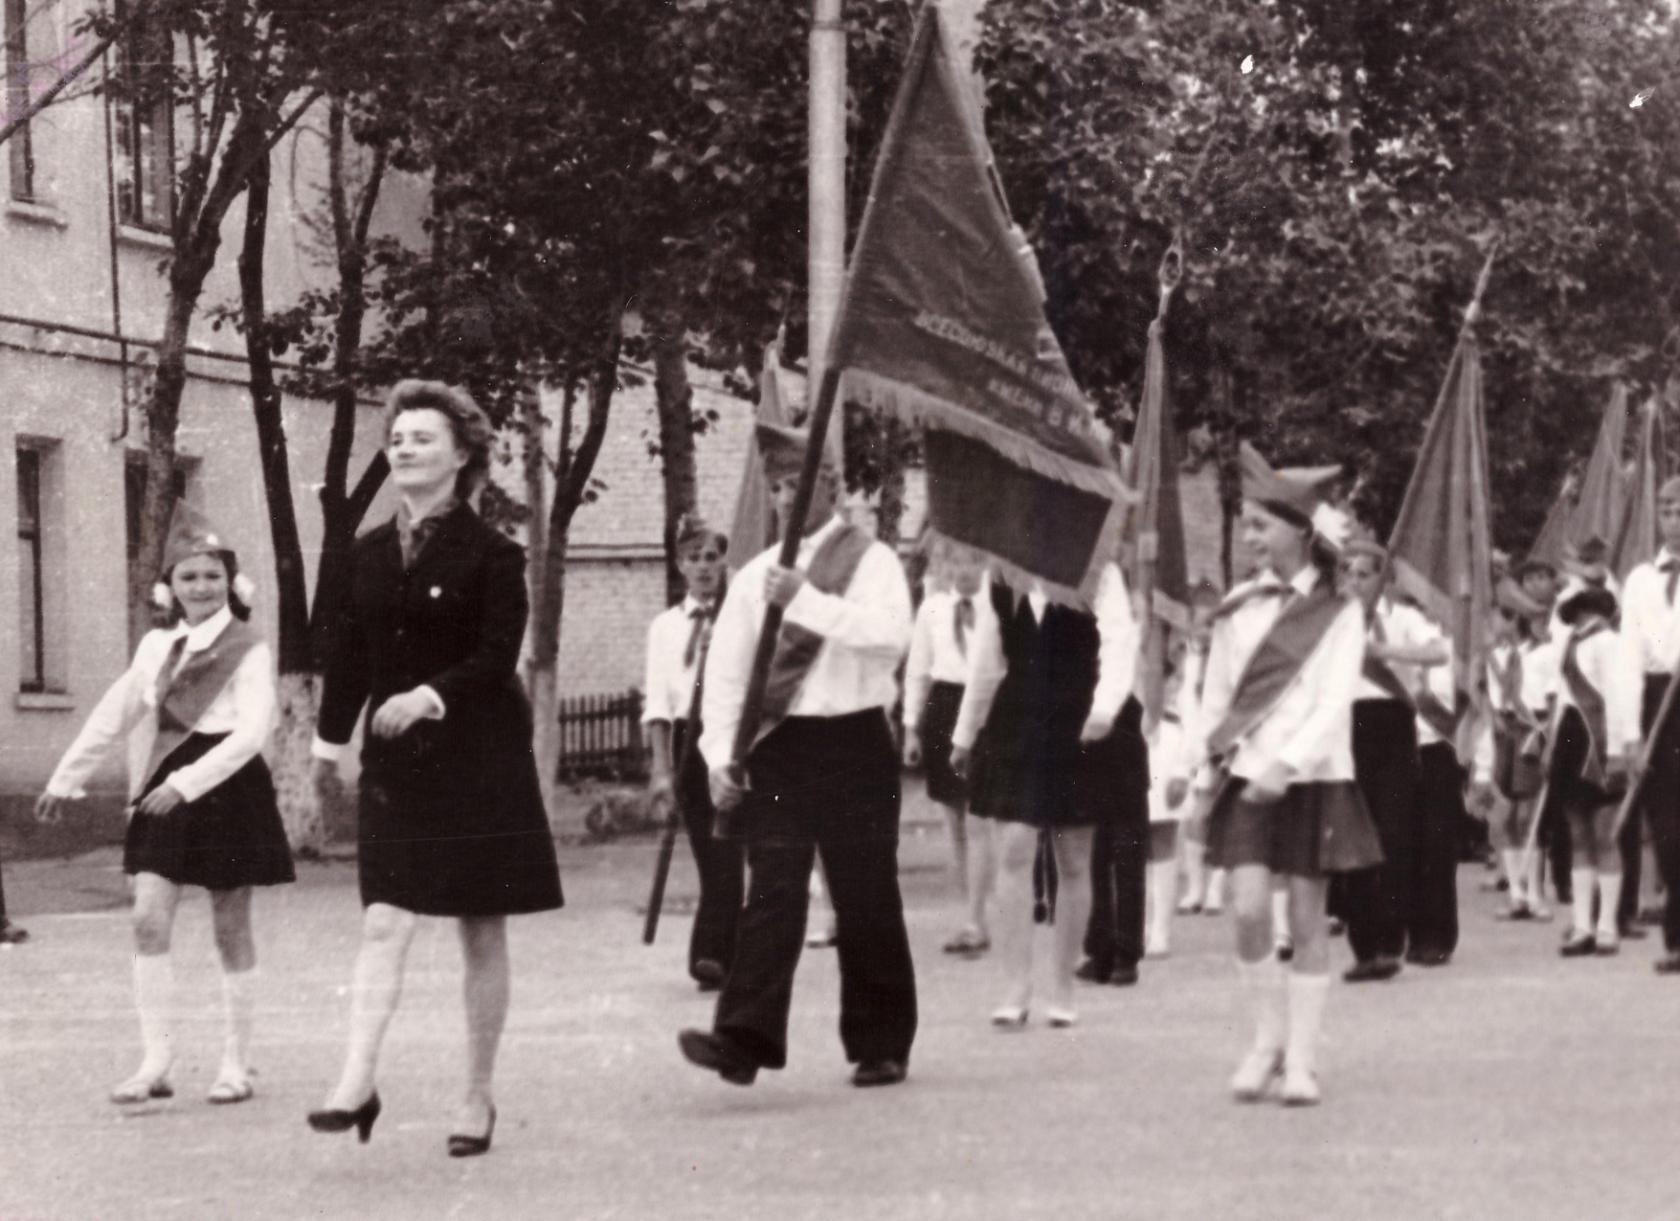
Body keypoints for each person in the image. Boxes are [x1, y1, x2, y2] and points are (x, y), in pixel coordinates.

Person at [307, 380, 562, 1156]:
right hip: (399, 766)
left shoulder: (494, 553)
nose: (407, 447)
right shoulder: (367, 552)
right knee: (384, 919)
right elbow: (350, 655)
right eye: (400, 436)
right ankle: (355, 1079)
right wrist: (323, 748)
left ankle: (477, 1094)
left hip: (480, 760)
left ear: (461, 455)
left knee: (480, 930)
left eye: (424, 437)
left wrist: (428, 695)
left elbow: (496, 657)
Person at [678, 422, 916, 1089]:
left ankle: (880, 1042)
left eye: (799, 483)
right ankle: (743, 1037)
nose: (786, 497)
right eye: (778, 485)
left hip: (854, 738)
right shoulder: (754, 576)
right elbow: (726, 679)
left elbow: (888, 639)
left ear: (832, 488)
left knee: (864, 888)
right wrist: (723, 755)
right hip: (781, 748)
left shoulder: (872, 562)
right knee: (776, 888)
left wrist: (806, 600)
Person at [36, 502, 294, 1104]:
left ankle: (236, 1062)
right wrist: (64, 778)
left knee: (230, 924)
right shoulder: (156, 647)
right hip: (166, 779)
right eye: (188, 576)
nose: (201, 587)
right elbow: (115, 714)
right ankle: (157, 1059)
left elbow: (253, 732)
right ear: (170, 587)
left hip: (227, 782)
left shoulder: (249, 647)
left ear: (229, 580)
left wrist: (186, 784)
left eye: (211, 575)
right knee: (147, 917)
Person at [1184, 443, 1381, 1106]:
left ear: (1300, 531)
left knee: (1304, 914)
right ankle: (1265, 1041)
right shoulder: (1240, 603)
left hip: (1313, 777)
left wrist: (1286, 764)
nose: (1251, 535)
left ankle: (1301, 1059)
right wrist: (1205, 774)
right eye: (1248, 524)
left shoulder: (1340, 612)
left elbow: (1331, 705)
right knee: (1244, 908)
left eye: (1262, 524)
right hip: (1245, 776)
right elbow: (1217, 697)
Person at [950, 555, 1141, 1027]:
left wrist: (1105, 710)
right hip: (1017, 720)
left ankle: (1063, 986)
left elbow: (1120, 643)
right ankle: (1016, 987)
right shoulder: (1001, 575)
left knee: (1073, 857)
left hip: (1078, 718)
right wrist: (963, 733)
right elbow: (987, 662)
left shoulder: (1099, 571)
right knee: (1013, 848)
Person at [643, 513, 743, 992]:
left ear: (724, 563)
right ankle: (716, 955)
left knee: (733, 848)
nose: (704, 566)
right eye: (694, 558)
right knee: (712, 851)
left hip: (732, 738)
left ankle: (714, 954)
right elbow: (658, 704)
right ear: (680, 565)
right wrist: (661, 769)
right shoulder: (665, 627)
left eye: (712, 557)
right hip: (689, 744)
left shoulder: (737, 620)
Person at [1333, 540, 1437, 982]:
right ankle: (1365, 948)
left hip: (1391, 725)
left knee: (1393, 835)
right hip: (1346, 727)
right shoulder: (1334, 621)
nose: (1355, 582)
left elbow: (1439, 652)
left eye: (1364, 574)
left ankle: (1392, 938)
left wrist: (1388, 653)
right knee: (1355, 839)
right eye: (1349, 573)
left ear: (1383, 578)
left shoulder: (1405, 618)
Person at [903, 541, 994, 957]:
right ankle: (969, 912)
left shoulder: (998, 608)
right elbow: (918, 670)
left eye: (972, 559)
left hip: (986, 710)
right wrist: (910, 728)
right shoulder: (933, 610)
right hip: (943, 706)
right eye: (954, 560)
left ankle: (979, 919)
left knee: (980, 816)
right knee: (953, 818)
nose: (963, 569)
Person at [1546, 581, 1640, 957]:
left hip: (1598, 743)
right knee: (1578, 835)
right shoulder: (1570, 644)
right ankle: (1583, 924)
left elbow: (1617, 696)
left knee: (1604, 834)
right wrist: (1553, 744)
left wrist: (1617, 750)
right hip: (1571, 739)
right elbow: (1564, 699)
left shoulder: (1608, 642)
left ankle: (1606, 926)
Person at [1618, 475, 1680, 973]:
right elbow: (1627, 660)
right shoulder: (1640, 580)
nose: (1673, 519)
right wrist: (1630, 735)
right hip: (1659, 699)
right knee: (1666, 826)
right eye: (1666, 509)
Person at [1471, 583, 1556, 921]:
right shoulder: (1499, 657)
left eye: (1499, 618)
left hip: (1530, 732)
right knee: (1503, 814)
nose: (1493, 625)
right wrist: (1492, 721)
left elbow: (1552, 701)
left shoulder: (1545, 655)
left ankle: (1535, 892)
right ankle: (1516, 893)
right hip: (1503, 733)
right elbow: (1487, 696)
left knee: (1527, 815)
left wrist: (1546, 739)